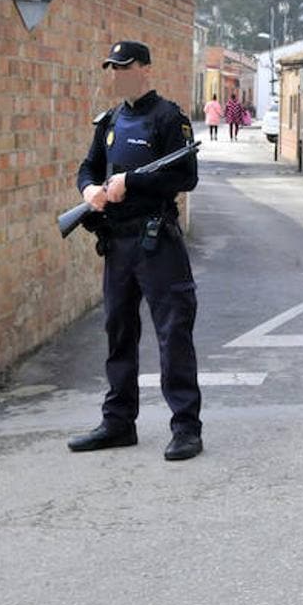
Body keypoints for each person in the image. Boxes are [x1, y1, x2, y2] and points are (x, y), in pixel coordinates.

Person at [68, 40, 204, 461]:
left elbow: (186, 176)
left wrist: (133, 183)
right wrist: (90, 189)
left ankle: (185, 429)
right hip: (118, 242)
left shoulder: (168, 118)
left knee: (173, 333)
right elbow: (88, 166)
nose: (118, 73)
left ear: (145, 68)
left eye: (125, 66)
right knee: (118, 332)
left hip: (156, 239)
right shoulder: (110, 120)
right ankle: (118, 422)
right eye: (112, 67)